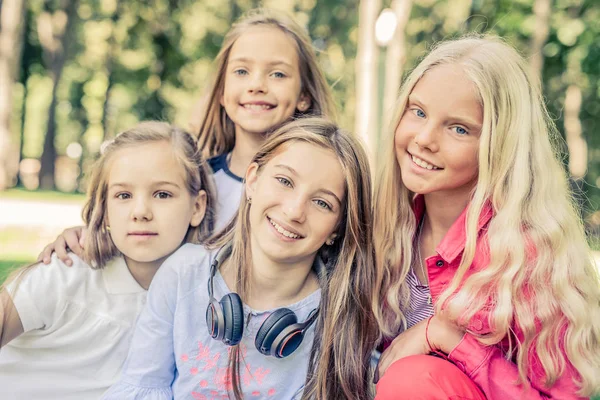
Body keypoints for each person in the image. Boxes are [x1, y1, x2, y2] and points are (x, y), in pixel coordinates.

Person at [371, 35, 600, 399]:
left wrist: (448, 338)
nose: (425, 138)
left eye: (458, 128)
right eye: (418, 112)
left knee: (413, 379)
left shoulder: (526, 255)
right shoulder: (384, 226)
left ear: (500, 146)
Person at [102, 117, 378, 400]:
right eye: (284, 181)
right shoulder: (184, 272)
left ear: (338, 227)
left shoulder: (338, 314)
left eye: (322, 202)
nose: (295, 211)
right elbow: (144, 383)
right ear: (253, 180)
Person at [37, 9, 336, 263]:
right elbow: (141, 235)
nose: (257, 84)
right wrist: (87, 238)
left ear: (305, 96)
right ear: (221, 91)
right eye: (242, 71)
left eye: (278, 74)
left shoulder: (322, 196)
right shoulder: (193, 184)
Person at [0, 122, 216, 399]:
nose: (140, 212)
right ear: (105, 207)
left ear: (197, 207)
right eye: (123, 195)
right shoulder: (63, 274)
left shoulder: (204, 301)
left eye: (162, 194)